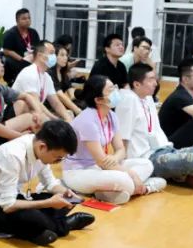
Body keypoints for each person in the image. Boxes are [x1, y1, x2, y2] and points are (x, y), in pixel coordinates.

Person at [0, 121, 96, 245]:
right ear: (42, 147)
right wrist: (48, 203)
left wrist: (66, 193)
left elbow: (50, 183)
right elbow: (8, 205)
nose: (58, 161)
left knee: (63, 201)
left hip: (17, 197)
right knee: (33, 216)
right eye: (58, 157)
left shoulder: (38, 147)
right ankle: (64, 225)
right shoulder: (12, 156)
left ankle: (39, 231)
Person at [115, 63, 193, 187]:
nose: (156, 83)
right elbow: (123, 138)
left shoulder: (148, 98)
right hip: (149, 159)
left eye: (155, 78)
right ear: (137, 84)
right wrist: (123, 166)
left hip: (169, 150)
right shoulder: (128, 100)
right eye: (151, 80)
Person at [61, 75, 162, 204]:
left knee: (146, 164)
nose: (116, 91)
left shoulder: (111, 116)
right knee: (125, 179)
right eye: (110, 90)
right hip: (78, 172)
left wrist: (114, 158)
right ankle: (146, 187)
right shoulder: (87, 121)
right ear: (99, 100)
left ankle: (108, 192)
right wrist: (132, 174)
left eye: (115, 87)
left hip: (101, 167)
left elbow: (121, 150)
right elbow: (101, 161)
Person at [12, 41, 72, 122]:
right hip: (17, 116)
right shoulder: (29, 72)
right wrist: (56, 120)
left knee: (69, 114)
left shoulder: (47, 77)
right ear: (40, 56)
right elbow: (36, 103)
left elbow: (56, 103)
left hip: (34, 114)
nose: (54, 56)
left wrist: (68, 118)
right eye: (51, 53)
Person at [1, 8, 42, 81]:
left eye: (29, 18)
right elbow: (6, 51)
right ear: (17, 21)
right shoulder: (11, 34)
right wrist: (22, 60)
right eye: (24, 19)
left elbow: (38, 47)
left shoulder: (33, 32)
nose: (27, 20)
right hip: (17, 61)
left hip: (31, 60)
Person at [48, 42, 82, 117]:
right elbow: (59, 95)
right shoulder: (49, 73)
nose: (65, 58)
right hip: (50, 107)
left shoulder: (63, 73)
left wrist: (77, 102)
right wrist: (76, 109)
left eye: (66, 55)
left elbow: (70, 90)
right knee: (72, 113)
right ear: (54, 56)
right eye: (62, 55)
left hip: (60, 105)